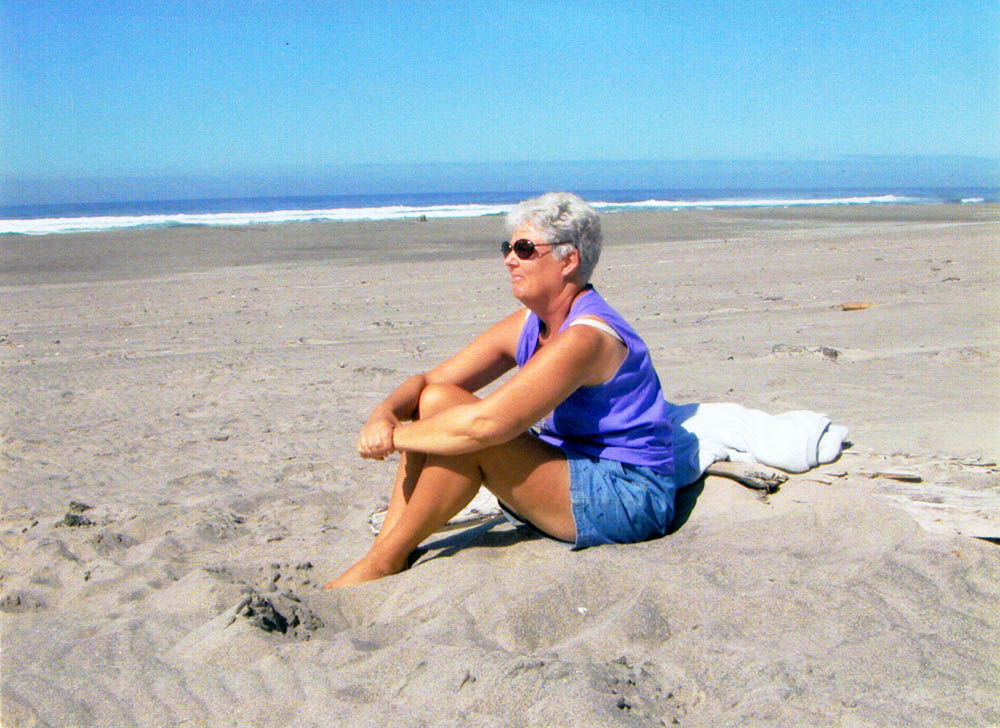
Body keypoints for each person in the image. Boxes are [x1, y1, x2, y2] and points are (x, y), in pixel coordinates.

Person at [325, 192, 676, 588]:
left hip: (629, 494)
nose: (510, 259)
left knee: (472, 439)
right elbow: (430, 383)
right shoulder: (531, 322)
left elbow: (487, 426)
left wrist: (394, 438)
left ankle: (384, 560)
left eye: (524, 249)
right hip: (570, 463)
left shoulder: (587, 337)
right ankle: (387, 549)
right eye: (507, 248)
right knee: (437, 400)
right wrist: (384, 414)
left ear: (569, 260)